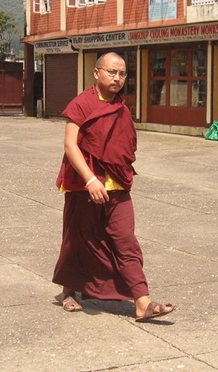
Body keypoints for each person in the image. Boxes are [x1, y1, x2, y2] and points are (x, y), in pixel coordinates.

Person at [52, 52, 175, 322]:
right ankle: (69, 290)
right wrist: (90, 179)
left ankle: (142, 302)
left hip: (117, 184)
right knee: (78, 240)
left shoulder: (120, 106)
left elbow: (123, 143)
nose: (117, 78)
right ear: (96, 73)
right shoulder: (81, 104)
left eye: (122, 74)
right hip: (85, 186)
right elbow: (70, 145)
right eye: (111, 72)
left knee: (125, 241)